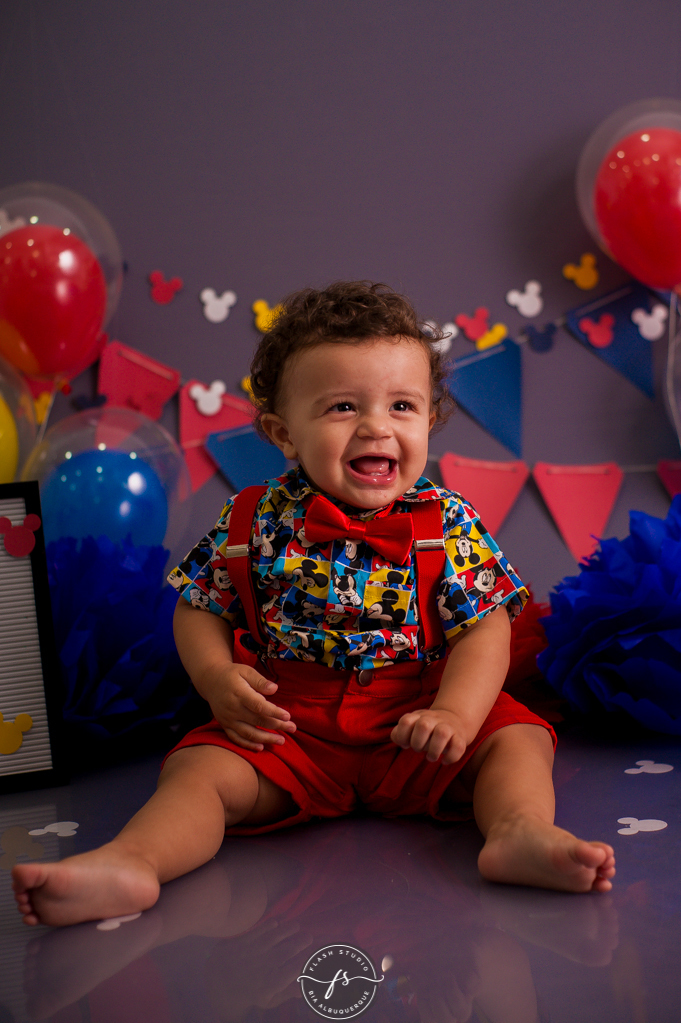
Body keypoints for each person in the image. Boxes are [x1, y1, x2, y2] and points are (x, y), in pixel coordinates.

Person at [13, 281, 615, 927]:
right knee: (196, 770)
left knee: (518, 737)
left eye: (402, 405)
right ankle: (132, 862)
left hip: (417, 720)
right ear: (283, 432)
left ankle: (517, 831)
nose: (376, 425)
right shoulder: (251, 519)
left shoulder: (448, 520)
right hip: (287, 724)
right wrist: (217, 679)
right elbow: (198, 607)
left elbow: (484, 628)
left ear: (428, 422)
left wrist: (456, 714)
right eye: (342, 406)